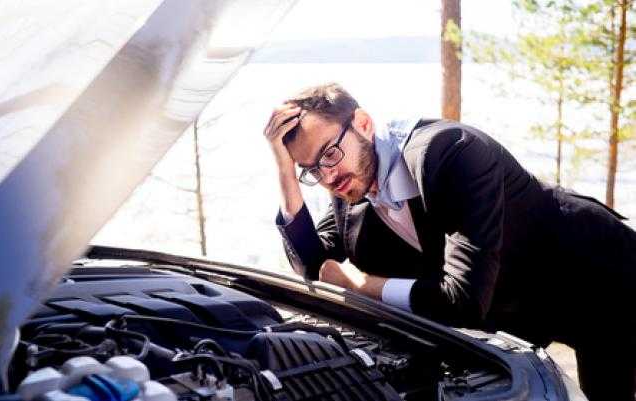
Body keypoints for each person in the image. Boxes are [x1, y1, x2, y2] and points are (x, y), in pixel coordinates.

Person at [264, 82, 636, 401]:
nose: (327, 175)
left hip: (602, 278)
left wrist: (365, 287)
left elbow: (463, 301)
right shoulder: (351, 184)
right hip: (520, 310)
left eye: (329, 153)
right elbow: (314, 268)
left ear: (363, 123)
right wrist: (285, 171)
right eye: (310, 169)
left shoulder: (451, 152)